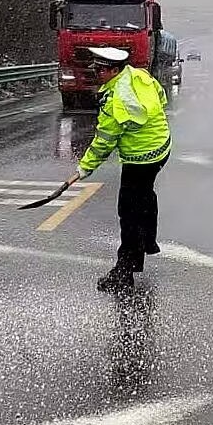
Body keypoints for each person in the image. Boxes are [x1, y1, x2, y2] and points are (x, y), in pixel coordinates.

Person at [69, 46, 172, 292]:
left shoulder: (116, 101)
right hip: (161, 147)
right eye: (96, 68)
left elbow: (104, 142)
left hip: (140, 157)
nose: (97, 73)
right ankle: (147, 242)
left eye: (101, 69)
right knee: (144, 198)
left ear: (114, 70)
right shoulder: (140, 75)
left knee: (128, 213)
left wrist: (83, 169)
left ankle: (124, 272)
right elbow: (162, 97)